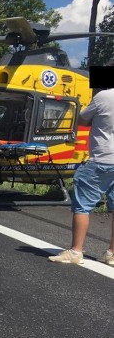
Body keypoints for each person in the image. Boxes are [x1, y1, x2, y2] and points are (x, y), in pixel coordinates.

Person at [49, 65, 114, 265]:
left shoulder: (103, 97)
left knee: (83, 205)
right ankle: (112, 253)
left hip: (102, 159)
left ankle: (76, 251)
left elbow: (82, 120)